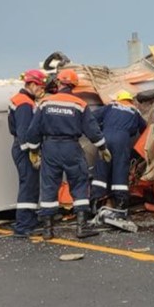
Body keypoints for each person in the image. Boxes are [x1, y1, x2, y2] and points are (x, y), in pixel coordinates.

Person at [26, 68, 110, 240]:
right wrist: (102, 148)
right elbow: (92, 130)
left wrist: (34, 150)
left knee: (49, 186)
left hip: (50, 148)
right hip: (71, 147)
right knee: (79, 184)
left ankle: (48, 230)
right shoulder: (79, 104)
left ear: (58, 82)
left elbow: (33, 130)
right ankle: (81, 228)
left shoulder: (45, 103)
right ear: (73, 86)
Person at [91, 90, 147, 212]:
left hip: (105, 136)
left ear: (118, 99)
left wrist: (100, 129)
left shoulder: (111, 106)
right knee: (120, 168)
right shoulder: (135, 111)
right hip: (122, 139)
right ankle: (121, 203)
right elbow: (145, 129)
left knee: (101, 169)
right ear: (130, 100)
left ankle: (96, 203)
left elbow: (91, 118)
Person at [8, 69, 47, 238]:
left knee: (30, 185)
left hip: (21, 147)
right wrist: (33, 151)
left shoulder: (22, 100)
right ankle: (24, 225)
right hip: (24, 149)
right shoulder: (25, 103)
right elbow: (24, 131)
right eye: (39, 86)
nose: (41, 89)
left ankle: (29, 220)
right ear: (31, 84)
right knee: (28, 185)